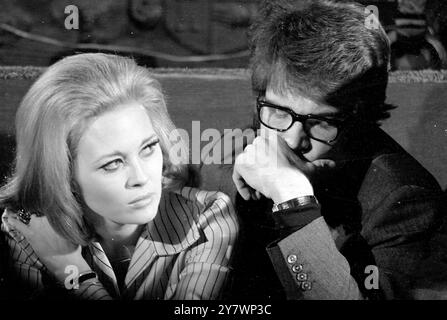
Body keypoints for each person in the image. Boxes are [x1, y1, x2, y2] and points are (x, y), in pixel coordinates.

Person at [229, 0, 447, 300]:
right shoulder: (259, 145)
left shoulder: (405, 199)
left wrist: (293, 199)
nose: (292, 140)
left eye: (320, 122)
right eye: (279, 112)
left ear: (360, 121)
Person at [0, 53, 239, 300]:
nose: (141, 177)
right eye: (113, 164)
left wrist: (70, 271)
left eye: (148, 148)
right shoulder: (27, 227)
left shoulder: (207, 216)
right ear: (64, 173)